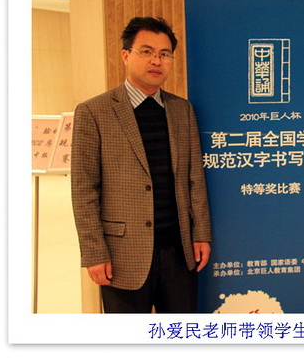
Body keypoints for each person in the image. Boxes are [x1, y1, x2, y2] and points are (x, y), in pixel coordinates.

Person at [71, 16, 212, 313]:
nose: (156, 61)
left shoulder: (182, 110)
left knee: (180, 332)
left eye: (164, 54)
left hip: (179, 250)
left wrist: (201, 234)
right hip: (122, 254)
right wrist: (94, 252)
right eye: (146, 51)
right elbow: (84, 189)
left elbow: (194, 179)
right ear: (126, 55)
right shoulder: (94, 112)